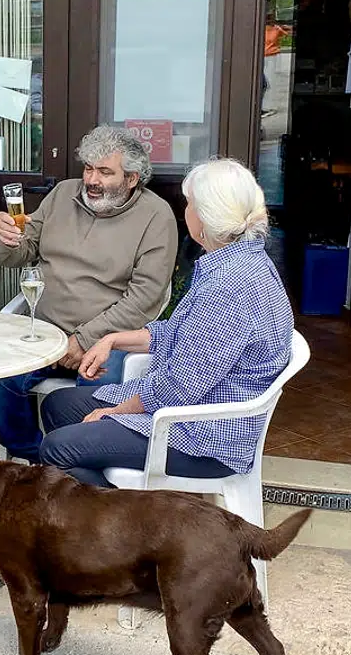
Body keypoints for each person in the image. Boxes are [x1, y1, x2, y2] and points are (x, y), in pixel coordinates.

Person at [39, 158, 294, 487]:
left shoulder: (229, 288)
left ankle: (120, 527)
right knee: (59, 406)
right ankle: (115, 505)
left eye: (189, 203)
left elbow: (179, 388)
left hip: (202, 436)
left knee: (57, 449)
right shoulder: (242, 260)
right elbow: (178, 334)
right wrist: (111, 340)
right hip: (192, 410)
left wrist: (116, 413)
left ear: (204, 217)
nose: (185, 209)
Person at [0, 125, 177, 461]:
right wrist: (5, 235)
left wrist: (84, 339)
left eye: (105, 172)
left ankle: (81, 471)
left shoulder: (156, 216)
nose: (92, 180)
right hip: (43, 329)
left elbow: (144, 300)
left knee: (97, 401)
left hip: (108, 342)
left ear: (132, 179)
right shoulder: (62, 195)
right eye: (88, 168)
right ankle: (34, 458)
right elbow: (19, 255)